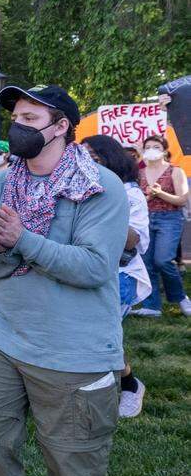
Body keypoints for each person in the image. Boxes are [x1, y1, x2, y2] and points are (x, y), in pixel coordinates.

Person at [0, 84, 127, 476]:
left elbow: (94, 267)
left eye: (32, 119)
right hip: (1, 336)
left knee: (74, 466)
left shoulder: (99, 186)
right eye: (17, 116)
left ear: (61, 129)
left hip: (74, 349)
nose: (19, 126)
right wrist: (0, 248)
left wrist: (22, 241)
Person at [82, 135, 151, 418]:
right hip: (88, 271)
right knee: (92, 335)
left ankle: (130, 386)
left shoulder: (130, 194)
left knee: (103, 337)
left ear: (109, 159)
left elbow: (136, 240)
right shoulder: (79, 189)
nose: (87, 163)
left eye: (94, 157)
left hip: (120, 276)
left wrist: (107, 208)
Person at [136, 134, 191, 316]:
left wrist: (160, 193)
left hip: (169, 218)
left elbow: (182, 199)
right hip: (145, 219)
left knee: (163, 260)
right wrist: (148, 197)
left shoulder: (175, 171)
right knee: (147, 262)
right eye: (148, 146)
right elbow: (136, 199)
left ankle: (181, 297)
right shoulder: (139, 172)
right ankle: (152, 306)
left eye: (156, 146)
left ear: (165, 151)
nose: (152, 149)